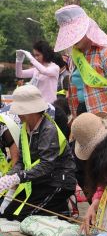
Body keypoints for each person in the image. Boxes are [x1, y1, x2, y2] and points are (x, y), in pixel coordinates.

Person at [53, 5, 107, 130]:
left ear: (87, 28)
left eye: (77, 32)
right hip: (84, 118)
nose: (74, 38)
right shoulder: (74, 57)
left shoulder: (106, 53)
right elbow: (74, 92)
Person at [0, 85, 76, 220]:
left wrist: (18, 177)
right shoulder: (25, 128)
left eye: (20, 111)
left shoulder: (48, 129)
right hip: (37, 180)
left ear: (30, 111)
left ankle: (63, 205)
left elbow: (47, 165)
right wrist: (9, 177)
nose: (18, 114)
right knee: (9, 214)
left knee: (23, 217)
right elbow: (23, 161)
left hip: (57, 181)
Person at [15, 40, 62, 104]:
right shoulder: (36, 69)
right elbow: (19, 74)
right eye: (34, 55)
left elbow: (44, 71)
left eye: (38, 55)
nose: (36, 58)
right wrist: (18, 60)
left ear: (45, 54)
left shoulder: (55, 68)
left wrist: (31, 58)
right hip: (36, 104)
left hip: (49, 105)